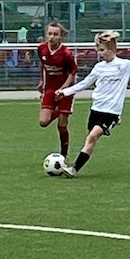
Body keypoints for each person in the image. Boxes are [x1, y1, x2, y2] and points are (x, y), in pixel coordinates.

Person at [54, 31, 130, 178]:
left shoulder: (124, 65)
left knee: (92, 137)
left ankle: (73, 170)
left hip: (111, 111)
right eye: (98, 50)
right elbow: (85, 83)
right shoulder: (99, 67)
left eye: (102, 50)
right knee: (90, 138)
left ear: (112, 50)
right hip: (96, 109)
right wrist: (65, 92)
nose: (99, 53)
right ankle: (75, 166)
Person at [36, 21, 78, 157]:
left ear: (61, 36)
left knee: (62, 125)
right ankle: (60, 111)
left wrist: (63, 89)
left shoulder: (66, 53)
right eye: (50, 34)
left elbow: (72, 73)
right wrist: (42, 81)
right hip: (49, 89)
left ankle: (63, 155)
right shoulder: (41, 49)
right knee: (43, 122)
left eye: (55, 34)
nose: (52, 37)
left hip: (65, 91)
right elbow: (43, 65)